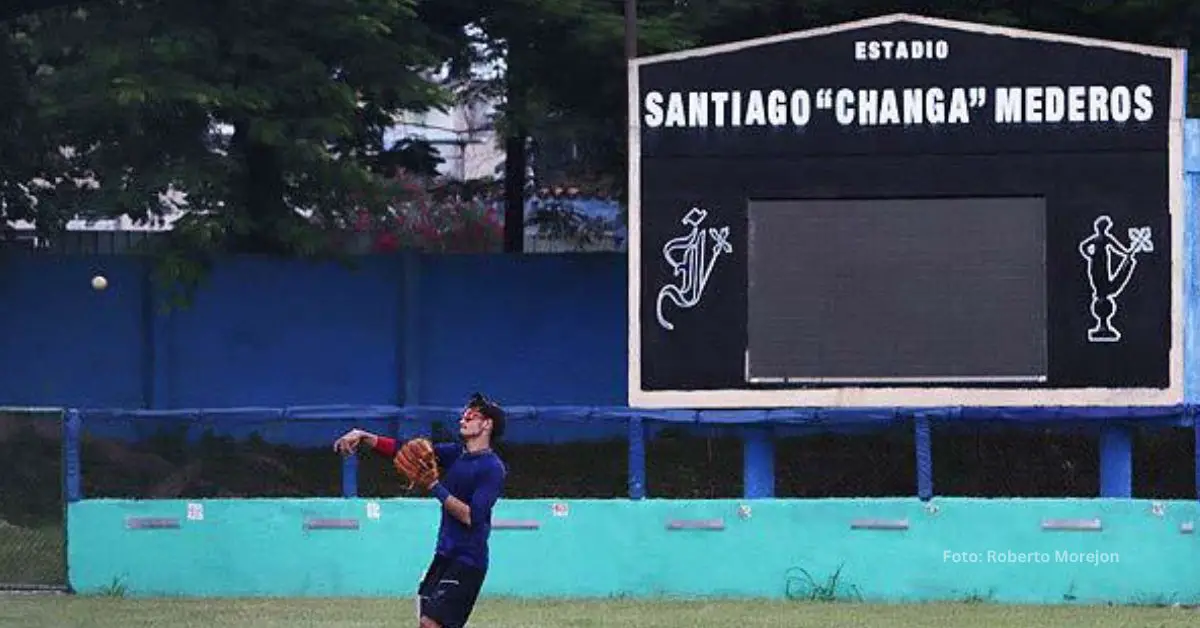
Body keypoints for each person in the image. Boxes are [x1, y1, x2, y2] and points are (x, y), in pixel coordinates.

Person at [333, 393, 508, 628]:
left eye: (471, 416)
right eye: (463, 415)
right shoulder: (456, 454)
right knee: (427, 623)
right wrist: (364, 436)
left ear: (487, 424)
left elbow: (471, 517)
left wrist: (434, 486)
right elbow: (405, 451)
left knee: (430, 623)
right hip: (444, 553)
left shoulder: (492, 468)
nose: (462, 420)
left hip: (469, 559)